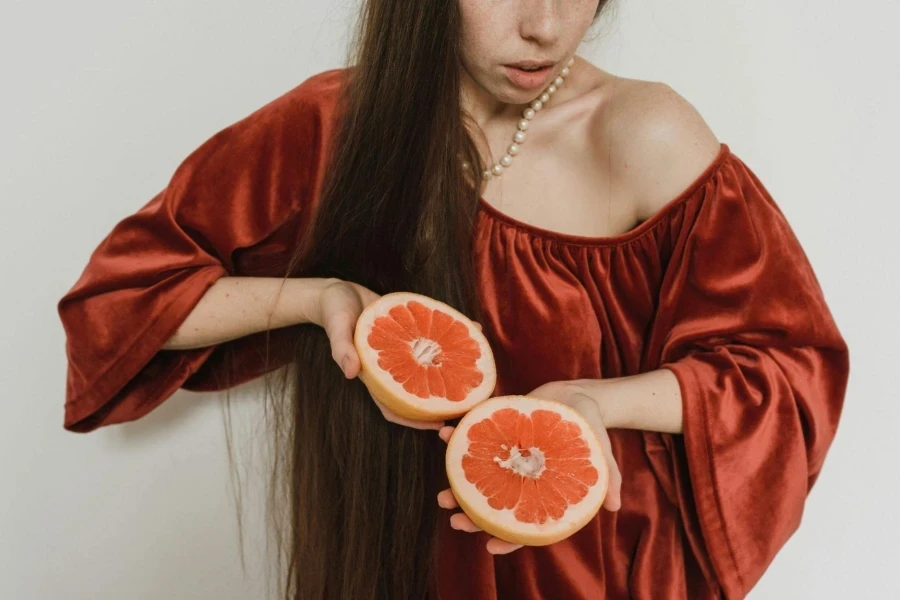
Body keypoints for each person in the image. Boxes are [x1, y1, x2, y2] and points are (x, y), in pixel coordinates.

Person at [57, 1, 850, 598]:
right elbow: (120, 304)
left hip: (604, 576)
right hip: (389, 569)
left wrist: (596, 403)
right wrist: (316, 300)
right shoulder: (338, 125)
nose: (543, 25)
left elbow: (787, 369)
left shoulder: (645, 132)